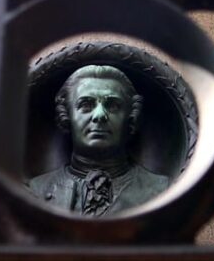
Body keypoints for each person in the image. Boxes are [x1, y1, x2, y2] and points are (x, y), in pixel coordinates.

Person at [28, 65, 169, 216]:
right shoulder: (36, 189)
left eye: (113, 106)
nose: (100, 115)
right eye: (86, 105)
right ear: (67, 117)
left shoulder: (161, 189)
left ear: (130, 118)